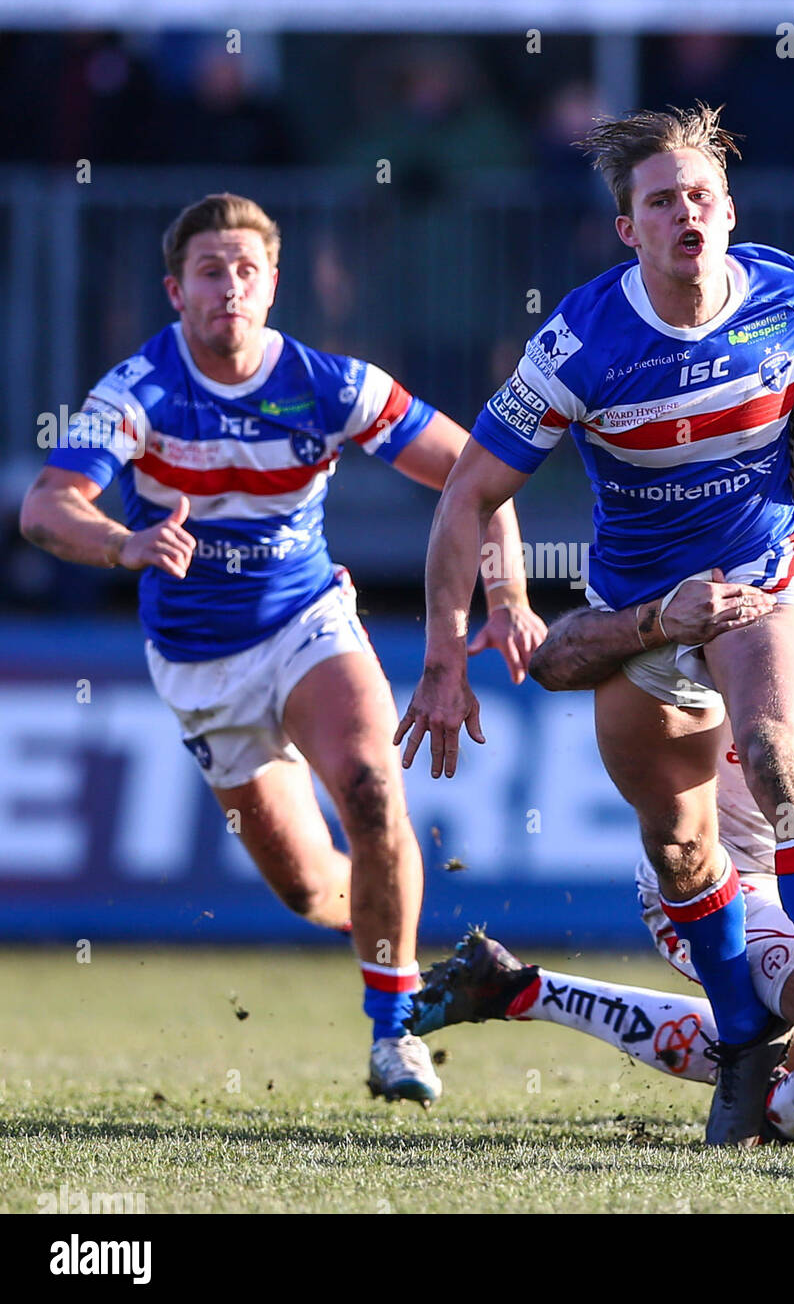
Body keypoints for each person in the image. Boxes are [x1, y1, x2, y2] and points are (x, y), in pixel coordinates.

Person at [395, 102, 794, 1144]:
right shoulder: (580, 345)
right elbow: (466, 494)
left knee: (784, 757)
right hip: (641, 614)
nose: (685, 213)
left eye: (701, 196)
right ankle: (743, 1036)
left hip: (759, 581)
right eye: (661, 201)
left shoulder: (788, 294)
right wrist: (441, 652)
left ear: (729, 211)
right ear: (628, 229)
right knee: (681, 850)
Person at [19, 192, 544, 1108]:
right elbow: (44, 506)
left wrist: (503, 597)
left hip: (307, 623)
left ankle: (395, 1033)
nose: (228, 287)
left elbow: (480, 477)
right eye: (209, 271)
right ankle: (396, 938)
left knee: (375, 791)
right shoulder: (137, 390)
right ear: (174, 290)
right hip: (199, 665)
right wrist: (122, 544)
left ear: (273, 285)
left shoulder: (331, 384)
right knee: (310, 893)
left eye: (245, 270)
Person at [408, 479, 794, 1145]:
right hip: (712, 885)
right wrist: (651, 621)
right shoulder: (731, 609)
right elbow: (554, 660)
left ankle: (517, 990)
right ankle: (777, 1118)